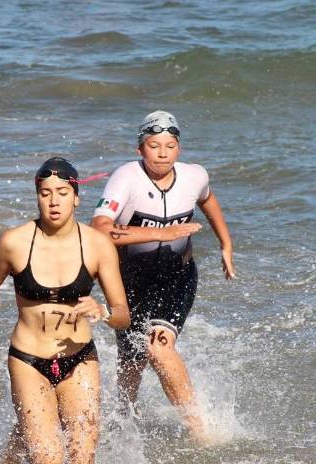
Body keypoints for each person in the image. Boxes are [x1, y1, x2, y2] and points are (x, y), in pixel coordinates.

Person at [0, 157, 129, 464]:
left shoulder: (98, 245)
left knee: (82, 457)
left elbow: (123, 315)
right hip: (28, 360)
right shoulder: (13, 243)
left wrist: (103, 311)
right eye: (45, 193)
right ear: (37, 197)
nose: (54, 201)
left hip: (80, 358)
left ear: (76, 197)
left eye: (62, 193)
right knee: (47, 457)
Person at [91, 110, 235, 442]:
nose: (162, 153)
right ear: (140, 148)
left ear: (179, 149)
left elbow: (208, 199)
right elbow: (99, 229)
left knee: (159, 348)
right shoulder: (125, 178)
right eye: (154, 146)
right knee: (132, 361)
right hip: (129, 281)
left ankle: (200, 432)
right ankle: (123, 424)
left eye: (170, 146)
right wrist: (163, 233)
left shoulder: (194, 175)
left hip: (177, 277)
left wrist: (226, 244)